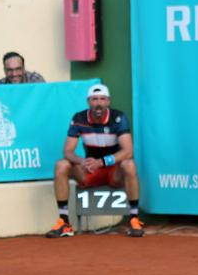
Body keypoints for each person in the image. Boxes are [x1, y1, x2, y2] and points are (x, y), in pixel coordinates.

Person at [45, 83, 144, 238]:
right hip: (90, 171)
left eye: (102, 99)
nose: (98, 103)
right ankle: (64, 223)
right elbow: (68, 151)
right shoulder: (78, 118)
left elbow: (128, 151)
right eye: (94, 99)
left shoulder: (118, 118)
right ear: (88, 102)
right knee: (61, 165)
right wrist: (81, 161)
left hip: (113, 172)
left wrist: (102, 162)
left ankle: (134, 220)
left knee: (130, 164)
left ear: (108, 101)